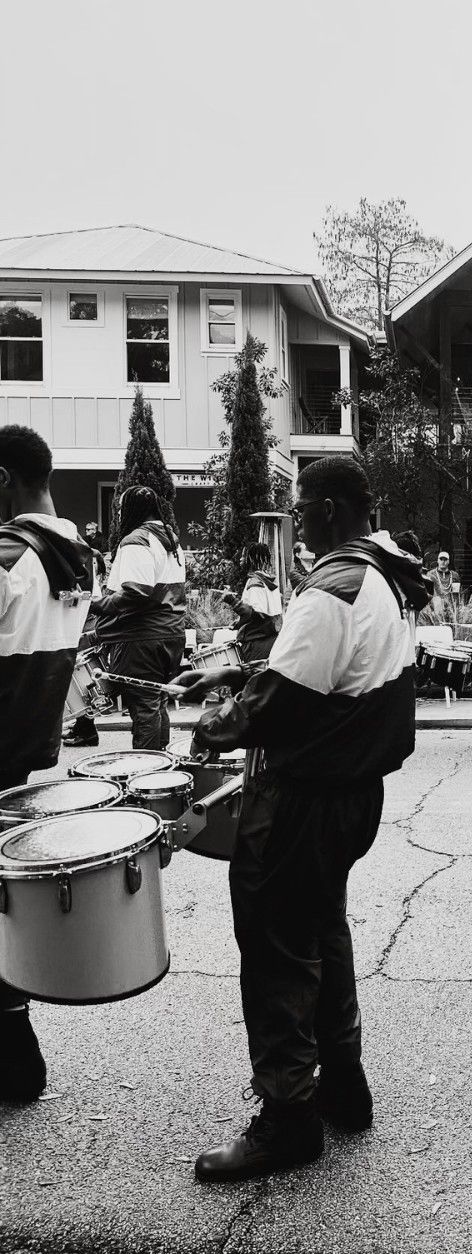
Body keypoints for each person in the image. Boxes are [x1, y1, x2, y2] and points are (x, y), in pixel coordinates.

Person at [172, 457, 430, 1181]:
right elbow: (326, 670)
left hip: (303, 798)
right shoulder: (383, 574)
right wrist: (235, 671)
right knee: (322, 929)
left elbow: (283, 701)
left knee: (278, 943)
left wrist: (221, 719)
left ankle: (288, 1116)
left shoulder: (335, 585)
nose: (298, 521)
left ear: (329, 509)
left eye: (302, 507)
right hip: (351, 794)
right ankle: (343, 1086)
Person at [0, 424, 94, 1104]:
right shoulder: (73, 552)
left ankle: (15, 1056)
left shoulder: (9, 555)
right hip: (29, 754)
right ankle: (15, 1050)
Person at [90, 486, 186, 751]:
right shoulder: (170, 540)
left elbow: (136, 591)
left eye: (120, 510)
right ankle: (162, 769)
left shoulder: (137, 540)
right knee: (156, 703)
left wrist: (98, 605)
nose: (119, 515)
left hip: (142, 638)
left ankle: (147, 772)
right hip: (170, 634)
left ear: (131, 510)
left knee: (144, 709)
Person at [62, 520, 110, 748]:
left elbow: (84, 597)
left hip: (81, 624)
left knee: (81, 683)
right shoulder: (87, 559)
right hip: (87, 622)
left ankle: (87, 731)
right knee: (83, 682)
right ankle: (83, 727)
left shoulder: (79, 562)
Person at [224, 543, 283, 665]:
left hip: (256, 642)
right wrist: (239, 623)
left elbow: (253, 613)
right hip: (271, 639)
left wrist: (231, 600)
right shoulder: (271, 582)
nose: (241, 559)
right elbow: (265, 614)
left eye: (243, 556)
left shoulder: (255, 582)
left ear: (251, 558)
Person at [425, 549, 460, 622]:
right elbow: (427, 593)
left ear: (448, 561)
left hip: (450, 607)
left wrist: (456, 609)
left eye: (445, 559)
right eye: (441, 559)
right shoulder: (430, 575)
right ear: (437, 560)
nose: (443, 562)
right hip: (435, 607)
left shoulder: (454, 575)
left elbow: (456, 594)